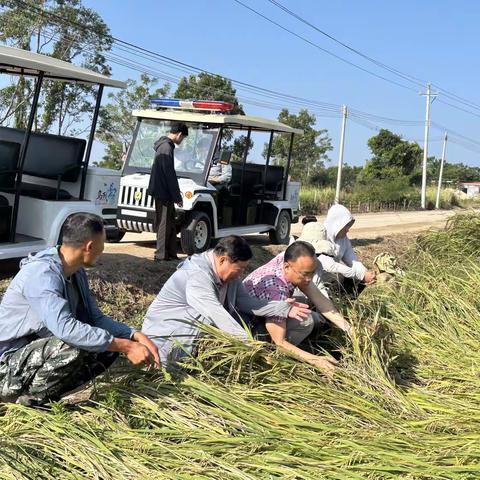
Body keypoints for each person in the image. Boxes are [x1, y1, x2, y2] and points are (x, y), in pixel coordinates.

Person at [0, 213, 160, 407]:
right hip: (6, 367)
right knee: (74, 344)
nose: (103, 250)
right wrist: (125, 346)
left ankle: (45, 398)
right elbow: (65, 329)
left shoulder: (76, 272)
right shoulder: (41, 275)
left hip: (33, 357)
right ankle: (29, 400)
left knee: (105, 347)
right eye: (103, 243)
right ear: (90, 246)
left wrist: (133, 336)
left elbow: (95, 319)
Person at [142, 235, 310, 369]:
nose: (240, 275)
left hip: (191, 338)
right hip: (164, 345)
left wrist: (282, 308)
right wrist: (249, 345)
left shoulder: (228, 275)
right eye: (239, 269)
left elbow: (245, 301)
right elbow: (216, 315)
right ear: (223, 260)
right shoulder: (197, 276)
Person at [243, 241, 352, 375]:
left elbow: (321, 301)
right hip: (250, 329)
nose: (309, 279)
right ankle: (272, 358)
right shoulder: (275, 289)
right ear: (287, 266)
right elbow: (279, 341)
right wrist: (316, 360)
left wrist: (350, 329)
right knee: (306, 320)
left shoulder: (291, 262)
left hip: (270, 311)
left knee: (311, 313)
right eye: (305, 274)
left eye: (312, 273)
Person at [147, 122, 188, 261]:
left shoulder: (165, 146)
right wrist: (177, 196)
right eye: (183, 138)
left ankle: (171, 253)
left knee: (170, 222)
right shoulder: (166, 147)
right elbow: (169, 174)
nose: (182, 141)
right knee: (164, 223)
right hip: (163, 191)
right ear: (179, 134)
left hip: (164, 191)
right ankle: (160, 255)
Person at [316, 204, 376, 293]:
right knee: (340, 277)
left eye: (349, 225)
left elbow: (352, 260)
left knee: (345, 278)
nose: (348, 230)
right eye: (346, 226)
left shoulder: (343, 239)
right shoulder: (320, 236)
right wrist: (361, 275)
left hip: (330, 278)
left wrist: (366, 273)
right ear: (337, 224)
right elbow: (329, 266)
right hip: (315, 278)